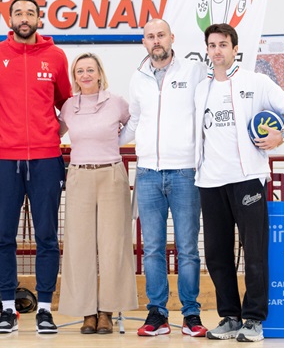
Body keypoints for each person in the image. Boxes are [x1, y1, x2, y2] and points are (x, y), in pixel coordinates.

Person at [194, 23, 284, 342]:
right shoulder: (202, 89)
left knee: (255, 252)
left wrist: (282, 135)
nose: (217, 50)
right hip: (210, 182)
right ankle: (230, 317)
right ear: (207, 50)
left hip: (247, 181)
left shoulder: (256, 82)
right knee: (216, 255)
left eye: (223, 45)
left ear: (235, 49)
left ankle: (254, 320)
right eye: (212, 45)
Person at [0, 0, 72, 334]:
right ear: (9, 19)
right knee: (3, 238)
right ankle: (8, 310)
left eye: (30, 13)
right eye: (18, 13)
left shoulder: (55, 56)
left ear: (40, 19)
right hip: (5, 160)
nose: (24, 18)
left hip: (46, 159)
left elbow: (67, 103)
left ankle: (45, 309)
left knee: (47, 236)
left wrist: (53, 131)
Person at [120, 19, 208, 337]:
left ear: (172, 38)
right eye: (150, 36)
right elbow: (134, 121)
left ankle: (191, 314)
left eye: (161, 35)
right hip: (147, 173)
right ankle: (157, 313)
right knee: (153, 249)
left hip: (185, 172)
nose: (156, 40)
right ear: (143, 42)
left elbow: (207, 113)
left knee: (188, 249)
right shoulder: (138, 78)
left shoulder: (194, 72)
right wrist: (107, 143)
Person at [58, 53, 138, 334]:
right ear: (75, 77)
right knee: (79, 246)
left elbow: (134, 122)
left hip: (111, 175)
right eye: (80, 71)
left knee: (113, 245)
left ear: (100, 73)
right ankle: (87, 313)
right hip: (79, 175)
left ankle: (107, 311)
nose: (86, 75)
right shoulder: (69, 106)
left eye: (90, 70)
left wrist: (116, 142)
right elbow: (54, 132)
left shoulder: (116, 102)